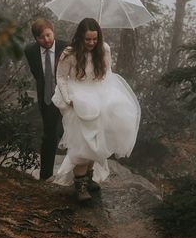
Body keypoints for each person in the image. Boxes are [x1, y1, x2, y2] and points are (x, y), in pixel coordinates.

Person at [51, 17, 140, 203]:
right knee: (83, 140)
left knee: (98, 137)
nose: (91, 43)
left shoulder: (104, 49)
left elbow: (107, 74)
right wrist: (69, 98)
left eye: (94, 39)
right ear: (79, 38)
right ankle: (80, 185)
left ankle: (89, 176)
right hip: (77, 95)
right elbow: (61, 77)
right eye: (87, 39)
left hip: (97, 92)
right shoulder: (69, 53)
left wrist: (106, 97)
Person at [24, 18, 68, 180]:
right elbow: (38, 75)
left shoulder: (66, 47)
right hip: (47, 97)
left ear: (53, 32)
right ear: (35, 38)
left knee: (72, 133)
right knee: (49, 134)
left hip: (67, 97)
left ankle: (77, 175)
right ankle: (45, 175)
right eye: (41, 37)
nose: (47, 40)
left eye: (49, 35)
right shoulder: (30, 51)